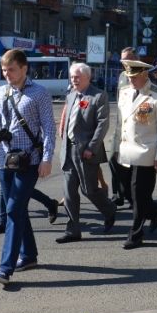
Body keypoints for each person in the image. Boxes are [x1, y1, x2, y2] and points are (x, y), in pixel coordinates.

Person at [0, 49, 57, 285]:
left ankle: (5, 268)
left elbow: (49, 128)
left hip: (30, 162)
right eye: (4, 70)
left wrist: (48, 158)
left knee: (13, 211)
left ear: (24, 69)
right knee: (16, 210)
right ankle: (29, 256)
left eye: (11, 70)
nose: (7, 74)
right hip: (4, 160)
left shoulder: (39, 93)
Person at [110, 59, 157, 249]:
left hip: (146, 151)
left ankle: (135, 234)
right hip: (125, 150)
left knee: (138, 192)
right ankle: (153, 209)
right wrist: (117, 147)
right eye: (129, 76)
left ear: (145, 75)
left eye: (135, 76)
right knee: (126, 191)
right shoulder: (125, 92)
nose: (131, 80)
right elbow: (122, 123)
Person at [56, 63, 116, 244]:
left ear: (87, 77)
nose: (73, 80)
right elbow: (69, 120)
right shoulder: (71, 96)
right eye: (72, 77)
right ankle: (73, 230)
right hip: (69, 151)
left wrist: (92, 147)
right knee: (69, 193)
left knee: (88, 190)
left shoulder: (98, 96)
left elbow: (102, 124)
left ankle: (110, 210)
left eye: (77, 77)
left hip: (86, 152)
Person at [110, 47, 141, 207]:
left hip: (136, 124)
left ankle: (130, 194)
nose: (124, 63)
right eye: (122, 60)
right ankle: (118, 195)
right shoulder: (123, 76)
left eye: (127, 59)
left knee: (131, 163)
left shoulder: (143, 73)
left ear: (135, 58)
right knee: (113, 160)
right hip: (120, 123)